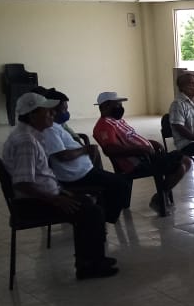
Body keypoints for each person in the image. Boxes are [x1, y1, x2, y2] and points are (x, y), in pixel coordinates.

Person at [2, 93, 118, 280]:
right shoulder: (26, 142)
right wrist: (56, 199)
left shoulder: (30, 135)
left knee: (87, 204)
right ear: (32, 115)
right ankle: (89, 266)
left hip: (42, 196)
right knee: (91, 211)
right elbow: (22, 183)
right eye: (47, 112)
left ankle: (90, 260)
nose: (52, 114)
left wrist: (59, 191)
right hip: (33, 204)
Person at [36, 89, 132, 224]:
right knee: (121, 184)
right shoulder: (50, 130)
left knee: (115, 182)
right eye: (63, 110)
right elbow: (62, 156)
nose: (66, 113)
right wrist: (84, 150)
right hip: (75, 176)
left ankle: (99, 213)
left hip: (82, 170)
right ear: (52, 110)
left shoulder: (57, 126)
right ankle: (104, 219)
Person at [93, 92, 192, 216]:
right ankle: (159, 198)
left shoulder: (116, 121)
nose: (121, 107)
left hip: (147, 156)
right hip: (138, 163)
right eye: (117, 104)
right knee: (181, 166)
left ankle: (161, 195)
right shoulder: (104, 126)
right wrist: (141, 149)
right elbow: (110, 149)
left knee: (186, 161)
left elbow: (132, 138)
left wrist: (150, 143)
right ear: (106, 106)